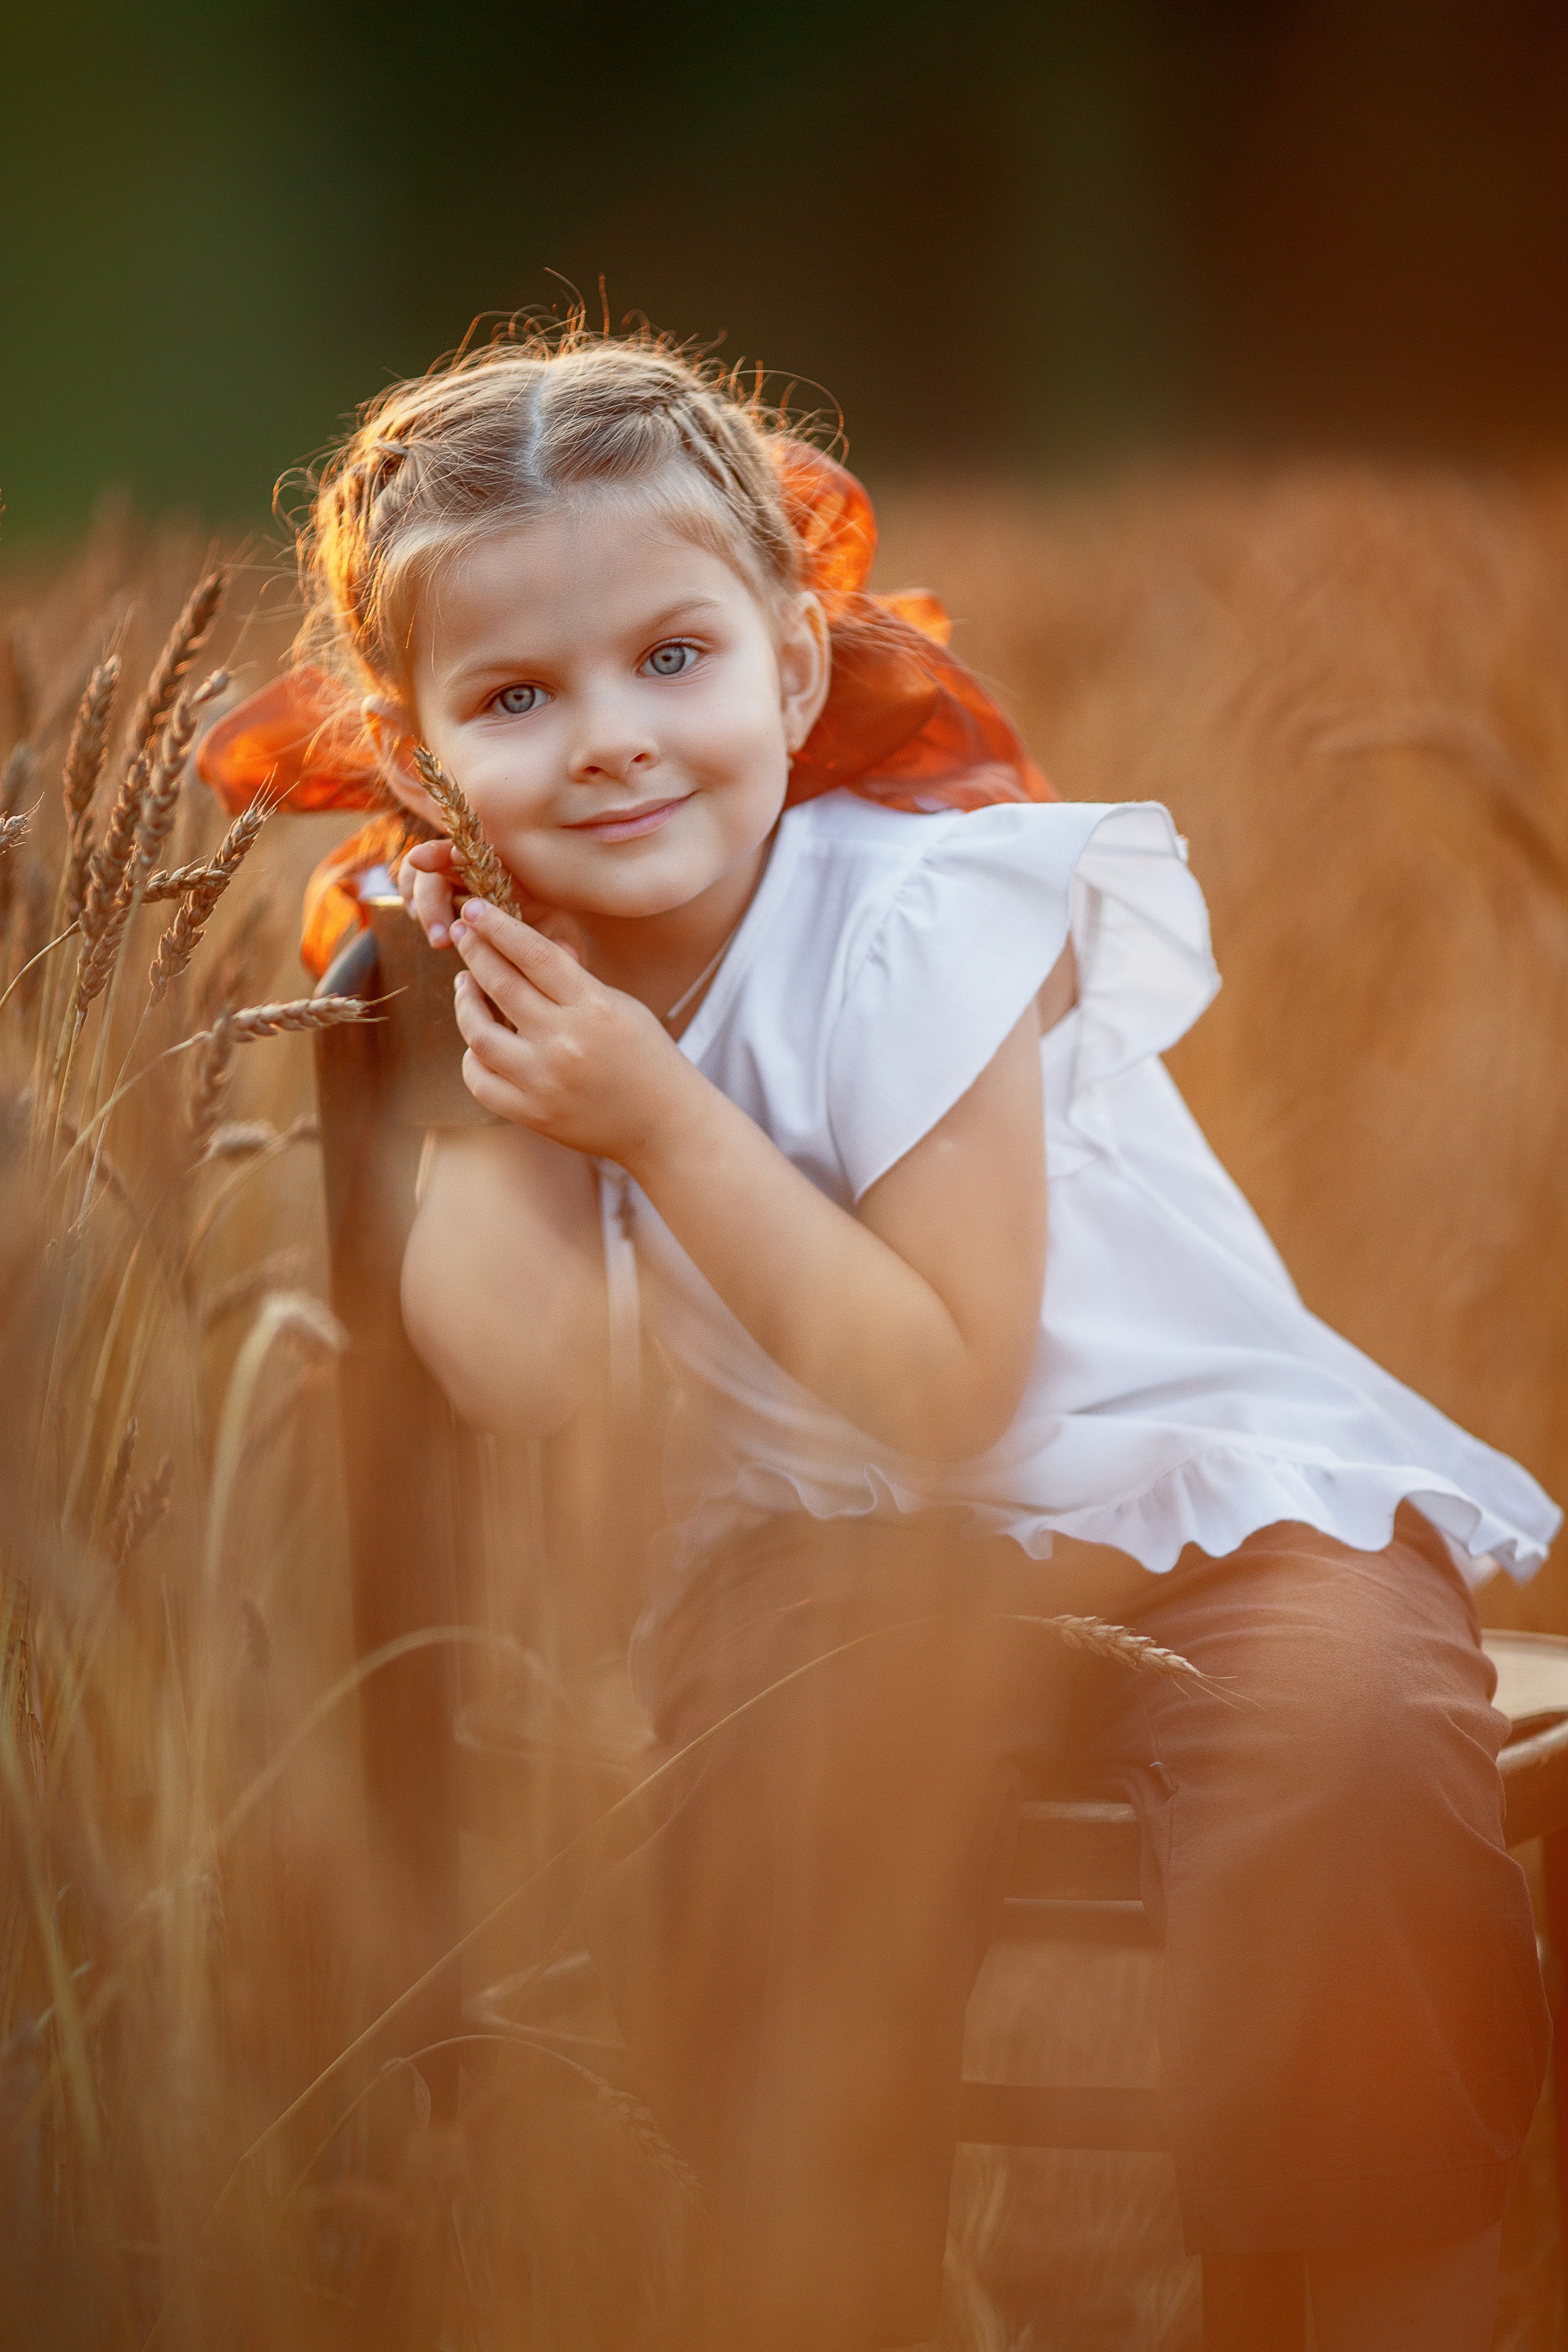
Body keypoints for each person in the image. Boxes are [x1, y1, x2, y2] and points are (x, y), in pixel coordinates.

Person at [216, 326, 1559, 2350]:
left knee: (1350, 1770)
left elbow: (949, 1383)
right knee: (774, 1798)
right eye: (517, 696)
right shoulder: (519, 991)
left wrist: (654, 1115)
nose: (609, 737)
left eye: (673, 658)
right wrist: (490, 1123)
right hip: (830, 1555)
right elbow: (548, 1374)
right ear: (417, 758)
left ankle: (1371, 2301)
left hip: (1214, 1506)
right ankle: (826, 2287)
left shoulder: (918, 914)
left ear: (795, 665)